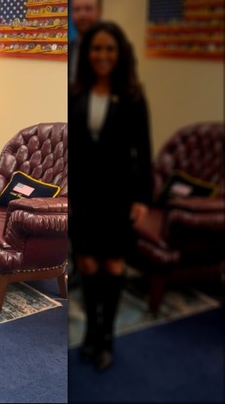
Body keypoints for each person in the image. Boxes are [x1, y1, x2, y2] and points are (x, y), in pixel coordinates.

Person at [69, 21, 153, 371]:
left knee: (113, 264)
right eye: (96, 49)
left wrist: (142, 199)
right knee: (88, 264)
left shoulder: (133, 95)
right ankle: (90, 331)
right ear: (87, 54)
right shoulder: (76, 92)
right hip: (85, 194)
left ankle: (106, 336)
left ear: (120, 54)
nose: (102, 55)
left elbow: (143, 150)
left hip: (119, 194)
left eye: (109, 49)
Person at [69, 0, 102, 83]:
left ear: (99, 12)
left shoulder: (118, 49)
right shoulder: (68, 50)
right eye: (77, 9)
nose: (82, 15)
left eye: (88, 9)